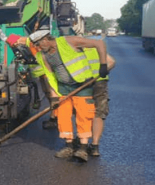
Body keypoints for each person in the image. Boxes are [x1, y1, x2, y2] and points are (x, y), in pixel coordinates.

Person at [28, 30, 109, 162]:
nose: (37, 48)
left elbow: (99, 44)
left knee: (84, 116)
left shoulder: (68, 41)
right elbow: (50, 77)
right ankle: (69, 146)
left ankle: (83, 148)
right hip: (63, 89)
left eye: (38, 44)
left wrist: (103, 65)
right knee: (63, 117)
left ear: (45, 40)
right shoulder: (43, 56)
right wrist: (54, 96)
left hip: (82, 84)